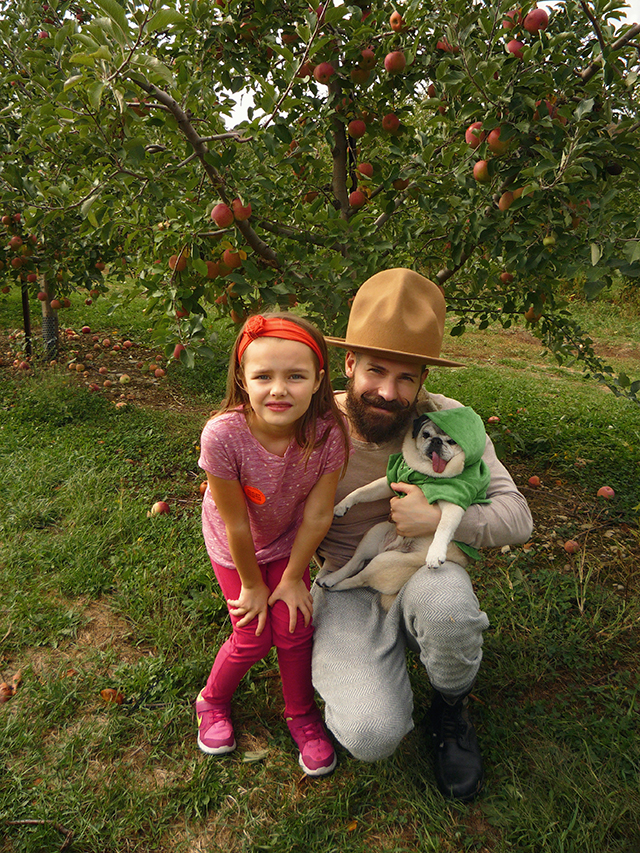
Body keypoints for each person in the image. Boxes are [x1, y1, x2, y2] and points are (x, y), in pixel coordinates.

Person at [312, 268, 533, 801]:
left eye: (406, 377)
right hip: (348, 583)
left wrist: (439, 523)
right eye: (376, 371)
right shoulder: (312, 426)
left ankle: (450, 706)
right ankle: (376, 671)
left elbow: (517, 515)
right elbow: (246, 507)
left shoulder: (451, 424)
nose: (388, 392)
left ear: (424, 380)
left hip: (422, 567)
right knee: (370, 735)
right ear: (349, 364)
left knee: (449, 613)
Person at [196, 312, 350, 776]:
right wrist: (253, 585)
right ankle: (211, 700)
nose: (279, 389)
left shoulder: (327, 435)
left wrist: (289, 579)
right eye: (263, 376)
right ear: (243, 380)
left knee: (295, 627)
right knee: (253, 634)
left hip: (288, 539)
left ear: (319, 379)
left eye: (295, 376)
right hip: (236, 544)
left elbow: (319, 514)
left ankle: (300, 714)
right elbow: (236, 523)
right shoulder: (223, 435)